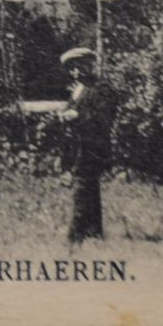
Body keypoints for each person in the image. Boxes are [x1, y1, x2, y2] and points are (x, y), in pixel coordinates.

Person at [57, 46, 119, 242]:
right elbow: (71, 110)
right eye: (73, 68)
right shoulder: (77, 90)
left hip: (93, 147)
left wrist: (78, 115)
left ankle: (74, 236)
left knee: (82, 188)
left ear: (91, 65)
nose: (77, 72)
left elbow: (105, 117)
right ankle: (94, 231)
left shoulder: (102, 89)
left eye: (82, 67)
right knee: (89, 187)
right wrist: (63, 116)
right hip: (77, 146)